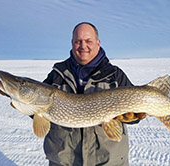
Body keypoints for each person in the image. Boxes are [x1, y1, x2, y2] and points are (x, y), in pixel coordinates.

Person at [43, 22, 142, 166]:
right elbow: (40, 110)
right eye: (78, 41)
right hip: (65, 161)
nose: (83, 46)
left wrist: (133, 116)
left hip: (108, 161)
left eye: (88, 41)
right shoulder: (57, 74)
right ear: (72, 43)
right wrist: (22, 102)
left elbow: (137, 114)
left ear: (98, 42)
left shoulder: (114, 75)